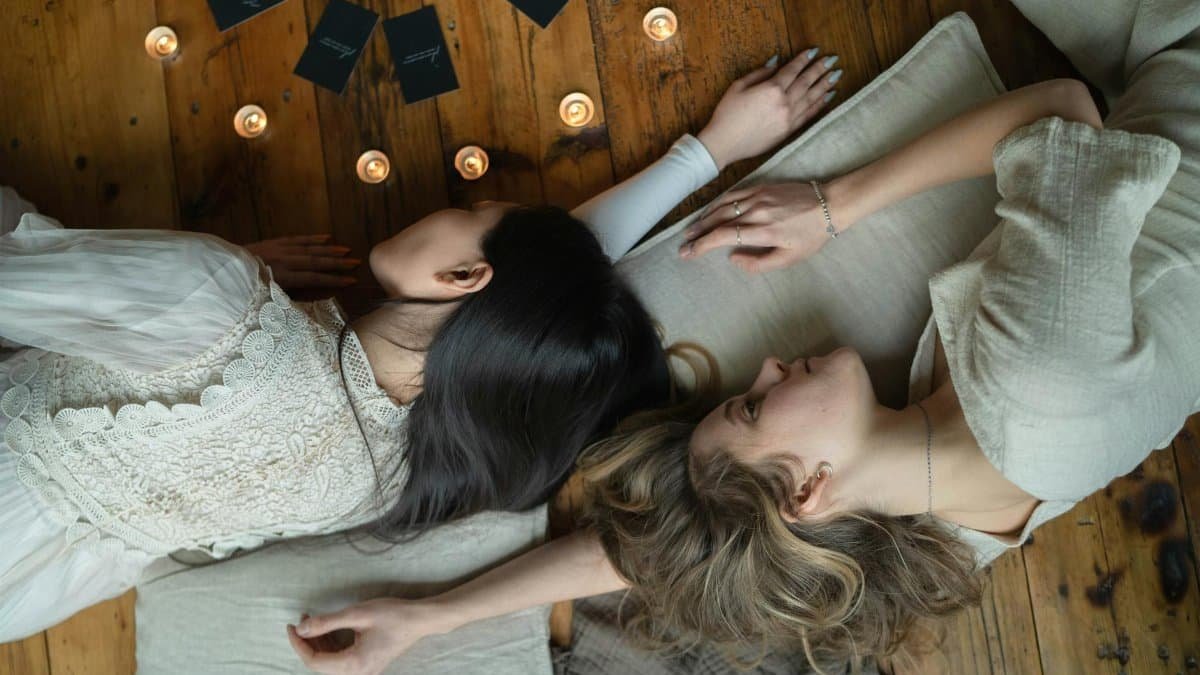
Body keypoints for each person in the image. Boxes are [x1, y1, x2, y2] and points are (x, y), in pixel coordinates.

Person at [287, 1, 1200, 671]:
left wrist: (433, 617)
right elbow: (1060, 116)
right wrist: (832, 207)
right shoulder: (1036, 389)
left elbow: (654, 555)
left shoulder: (907, 511)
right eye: (756, 400)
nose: (763, 364)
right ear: (809, 488)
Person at [0, 50, 844, 640]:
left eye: (480, 212)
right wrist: (703, 153)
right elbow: (538, 296)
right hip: (35, 583)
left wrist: (203, 279)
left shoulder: (211, 302)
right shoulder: (411, 471)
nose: (464, 205)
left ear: (467, 280)